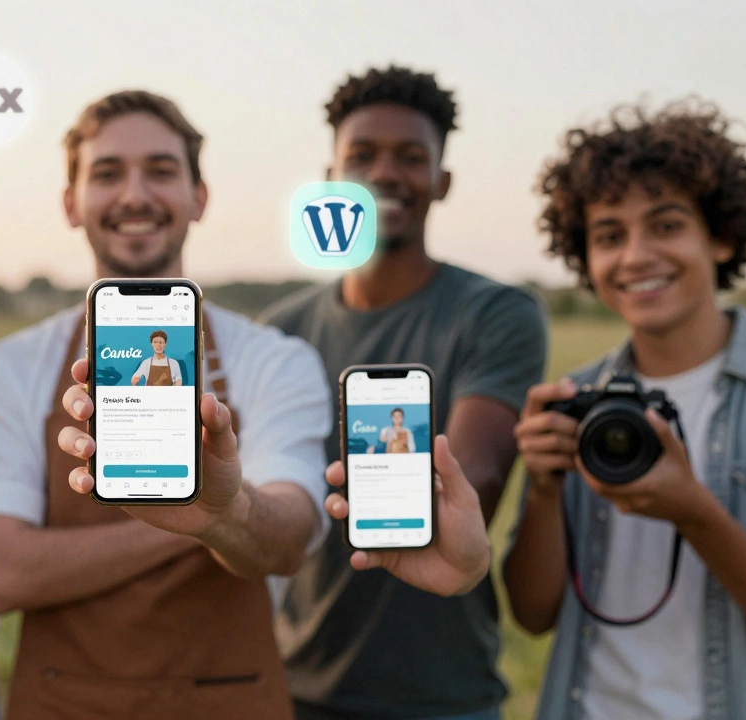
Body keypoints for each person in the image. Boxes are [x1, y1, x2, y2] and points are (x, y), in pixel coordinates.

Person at [0, 89, 491, 720]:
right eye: (107, 173)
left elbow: (290, 538)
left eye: (160, 170)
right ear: (71, 203)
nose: (134, 195)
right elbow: (7, 574)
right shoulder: (10, 368)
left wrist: (217, 509)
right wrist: (203, 520)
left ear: (198, 198)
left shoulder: (275, 359)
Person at [262, 65, 548, 720]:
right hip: (292, 689)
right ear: (331, 179)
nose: (386, 173)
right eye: (362, 155)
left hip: (442, 697)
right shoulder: (282, 330)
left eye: (411, 157)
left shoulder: (496, 313)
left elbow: (474, 475)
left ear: (441, 182)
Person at [505, 100, 746, 720]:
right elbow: (533, 616)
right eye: (610, 235)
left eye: (666, 225)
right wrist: (541, 492)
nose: (637, 256)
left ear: (720, 235)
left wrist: (695, 513)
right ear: (584, 257)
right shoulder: (576, 398)